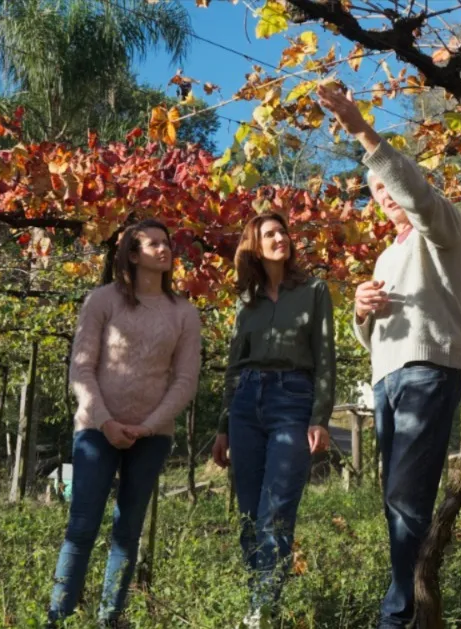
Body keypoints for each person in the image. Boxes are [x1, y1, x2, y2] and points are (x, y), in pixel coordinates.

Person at [318, 85, 461, 629]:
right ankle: (411, 601)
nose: (384, 193)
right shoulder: (386, 253)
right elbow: (374, 338)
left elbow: (419, 197)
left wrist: (361, 129)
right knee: (397, 497)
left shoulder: (442, 228)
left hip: (429, 370)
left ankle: (397, 613)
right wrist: (361, 312)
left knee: (406, 496)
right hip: (387, 377)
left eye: (390, 183)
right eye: (375, 188)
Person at [47, 219, 202, 627]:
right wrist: (105, 421)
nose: (163, 249)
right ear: (132, 255)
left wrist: (150, 425)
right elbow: (81, 369)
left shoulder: (184, 313)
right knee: (82, 526)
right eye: (152, 244)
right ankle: (58, 617)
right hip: (97, 431)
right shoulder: (102, 301)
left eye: (166, 243)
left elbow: (185, 380)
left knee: (127, 530)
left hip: (152, 436)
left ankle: (110, 617)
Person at [212, 211, 335, 629]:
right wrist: (223, 426)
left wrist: (320, 417)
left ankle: (263, 609)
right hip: (246, 402)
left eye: (283, 231)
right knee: (249, 511)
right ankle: (256, 598)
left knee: (277, 509)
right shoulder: (245, 301)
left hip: (293, 399)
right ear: (255, 245)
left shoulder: (314, 290)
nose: (280, 237)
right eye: (269, 233)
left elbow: (325, 358)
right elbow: (232, 367)